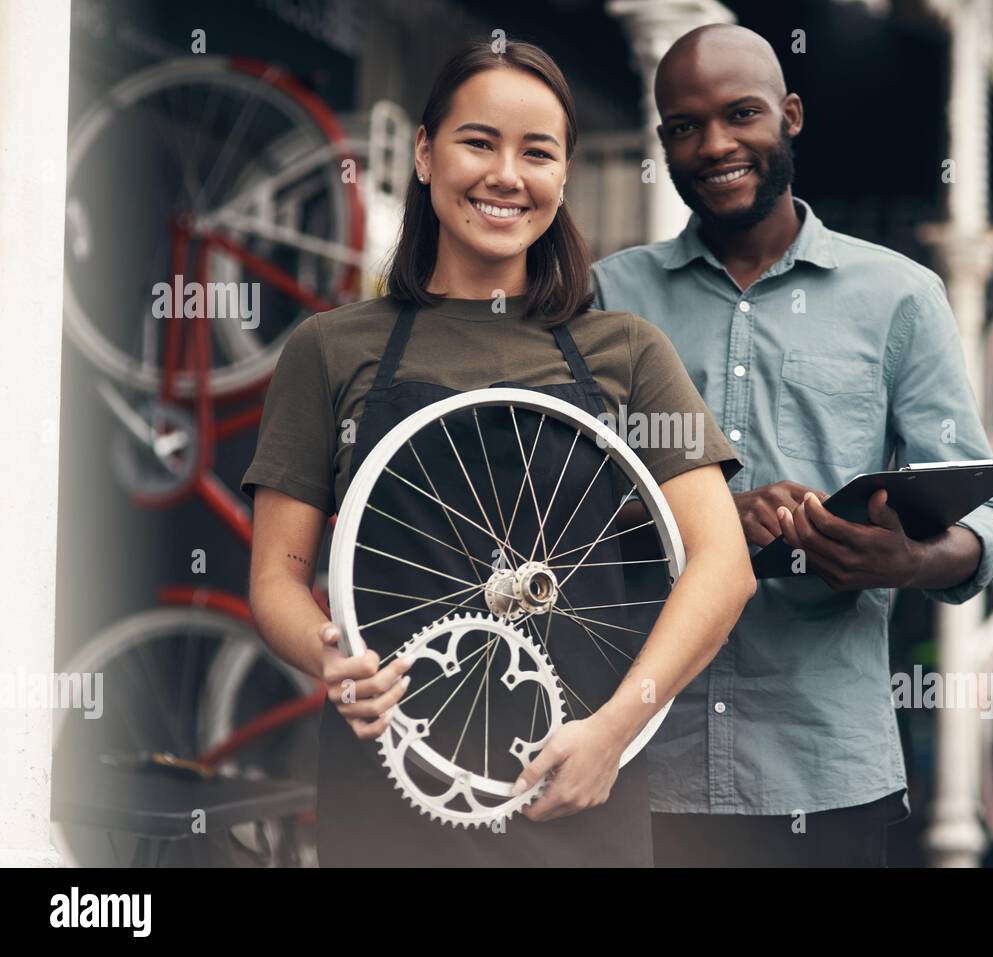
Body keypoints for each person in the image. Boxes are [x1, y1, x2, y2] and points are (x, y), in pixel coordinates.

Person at [242, 39, 753, 867]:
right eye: (478, 142)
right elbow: (275, 578)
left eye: (537, 153)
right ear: (423, 152)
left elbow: (723, 565)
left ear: (564, 176)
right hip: (388, 790)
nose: (506, 175)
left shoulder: (626, 350)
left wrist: (614, 735)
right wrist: (335, 658)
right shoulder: (329, 350)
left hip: (580, 789)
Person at [591, 24, 993, 867]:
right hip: (640, 758)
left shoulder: (901, 297)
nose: (714, 145)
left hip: (827, 773)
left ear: (790, 116)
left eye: (741, 114)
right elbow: (561, 513)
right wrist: (707, 521)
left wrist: (909, 560)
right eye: (684, 126)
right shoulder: (610, 297)